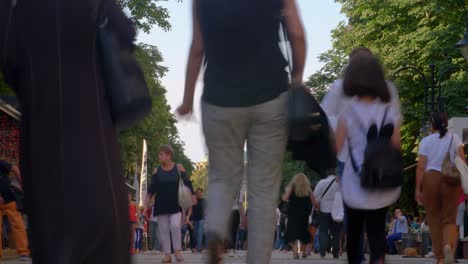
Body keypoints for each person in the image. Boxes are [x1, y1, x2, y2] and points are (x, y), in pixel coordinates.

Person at [0, 1, 135, 263]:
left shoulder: (15, 6)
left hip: (44, 139)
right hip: (93, 137)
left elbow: (9, 60)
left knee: (53, 239)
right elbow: (124, 34)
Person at [177, 0, 306, 263]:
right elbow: (296, 33)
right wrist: (297, 79)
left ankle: (214, 231)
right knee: (263, 188)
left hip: (219, 98)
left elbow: (197, 48)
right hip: (270, 94)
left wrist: (188, 98)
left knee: (222, 176)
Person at [335, 53, 402, 264]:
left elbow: (337, 147)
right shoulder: (388, 110)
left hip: (354, 181)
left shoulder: (348, 111)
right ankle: (378, 259)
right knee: (376, 232)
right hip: (381, 182)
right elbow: (396, 145)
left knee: (354, 234)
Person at [416, 112, 466, 264]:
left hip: (431, 179)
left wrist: (418, 189)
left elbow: (420, 168)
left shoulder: (426, 141)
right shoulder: (454, 138)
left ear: (432, 125)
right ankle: (448, 245)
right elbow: (462, 161)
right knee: (450, 219)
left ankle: (440, 258)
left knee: (434, 219)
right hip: (450, 180)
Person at [144, 144, 195, 263]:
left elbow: (188, 182)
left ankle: (177, 250)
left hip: (175, 204)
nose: (159, 156)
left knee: (175, 226)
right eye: (159, 154)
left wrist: (192, 196)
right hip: (161, 205)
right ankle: (167, 255)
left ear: (168, 155)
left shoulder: (178, 167)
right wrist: (146, 203)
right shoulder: (157, 170)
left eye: (161, 154)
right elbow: (152, 189)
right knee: (164, 230)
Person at [282, 173, 319, 259]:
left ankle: (295, 253)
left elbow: (285, 198)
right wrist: (317, 207)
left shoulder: (292, 187)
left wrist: (284, 194)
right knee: (303, 232)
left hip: (293, 213)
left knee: (292, 233)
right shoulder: (308, 189)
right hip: (304, 214)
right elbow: (314, 201)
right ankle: (305, 252)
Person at [0, 160, 29, 261]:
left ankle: (23, 252)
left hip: (9, 199)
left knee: (17, 225)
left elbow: (15, 169)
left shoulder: (1, 163)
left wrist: (21, 183)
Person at [314, 172, 340, 258]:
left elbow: (315, 197)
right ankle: (335, 252)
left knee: (323, 231)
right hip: (336, 211)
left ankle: (322, 251)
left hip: (324, 210)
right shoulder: (340, 182)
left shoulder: (321, 182)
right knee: (336, 232)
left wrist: (317, 207)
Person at [191, 188, 205, 253]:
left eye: (200, 192)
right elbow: (190, 210)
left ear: (202, 193)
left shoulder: (204, 201)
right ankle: (197, 246)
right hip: (194, 220)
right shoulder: (193, 201)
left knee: (200, 232)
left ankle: (199, 248)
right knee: (195, 234)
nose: (199, 193)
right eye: (197, 192)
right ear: (196, 193)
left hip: (202, 219)